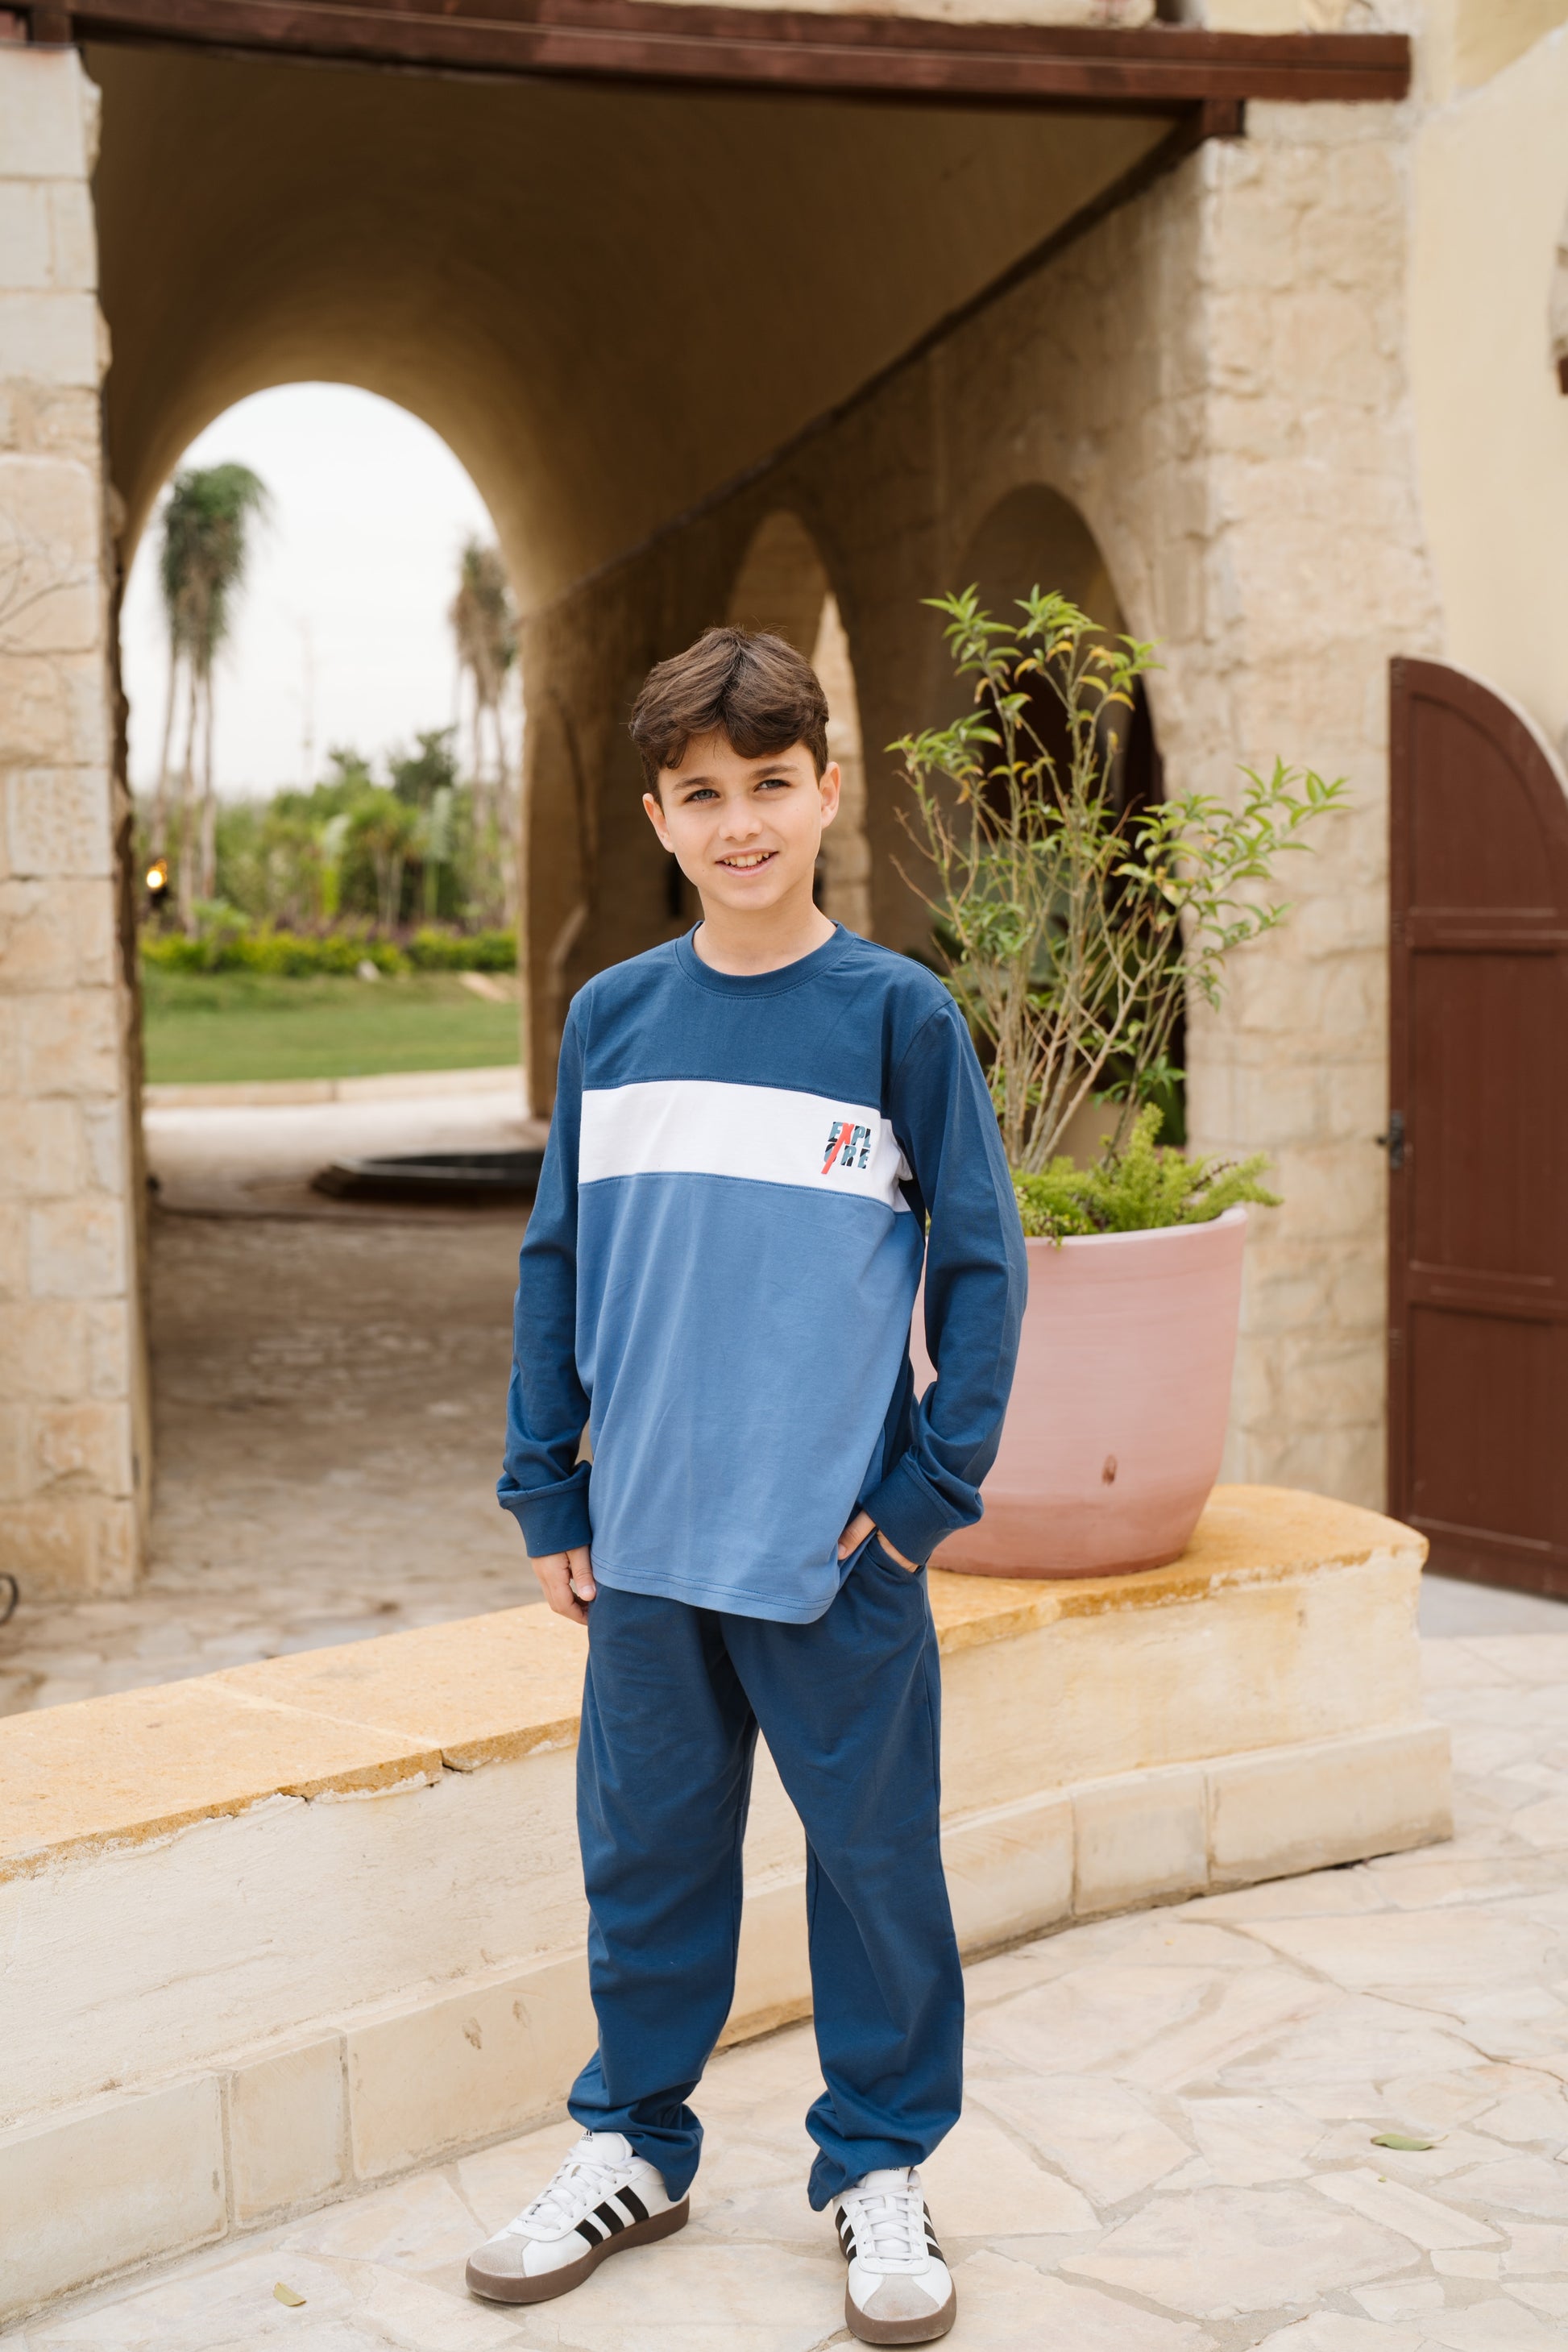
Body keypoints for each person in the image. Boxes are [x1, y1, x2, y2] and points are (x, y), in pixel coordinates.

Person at [469, 626, 1026, 2346]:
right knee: (643, 1863)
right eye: (702, 794)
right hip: (644, 1541)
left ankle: (878, 2161)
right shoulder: (616, 1022)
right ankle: (633, 2145)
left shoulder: (895, 1017)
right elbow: (557, 1260)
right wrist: (546, 1487)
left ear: (827, 790)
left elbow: (983, 1267)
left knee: (872, 1867)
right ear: (659, 816)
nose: (741, 822)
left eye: (770, 784)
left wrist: (925, 1496)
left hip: (835, 1549)